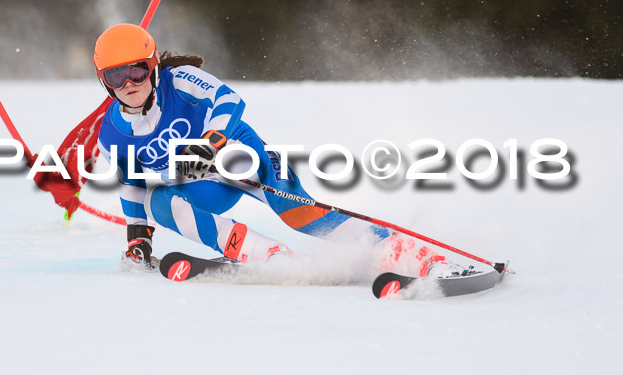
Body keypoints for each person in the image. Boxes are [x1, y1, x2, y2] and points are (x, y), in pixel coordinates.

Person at [93, 23, 450, 275]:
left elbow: (228, 100)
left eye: (137, 72)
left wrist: (211, 142)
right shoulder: (110, 133)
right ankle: (266, 254)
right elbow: (132, 184)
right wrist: (137, 236)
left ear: (153, 66)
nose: (128, 84)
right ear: (103, 81)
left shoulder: (179, 81)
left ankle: (404, 252)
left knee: (299, 213)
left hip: (237, 154)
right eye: (115, 76)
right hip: (198, 186)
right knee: (157, 200)